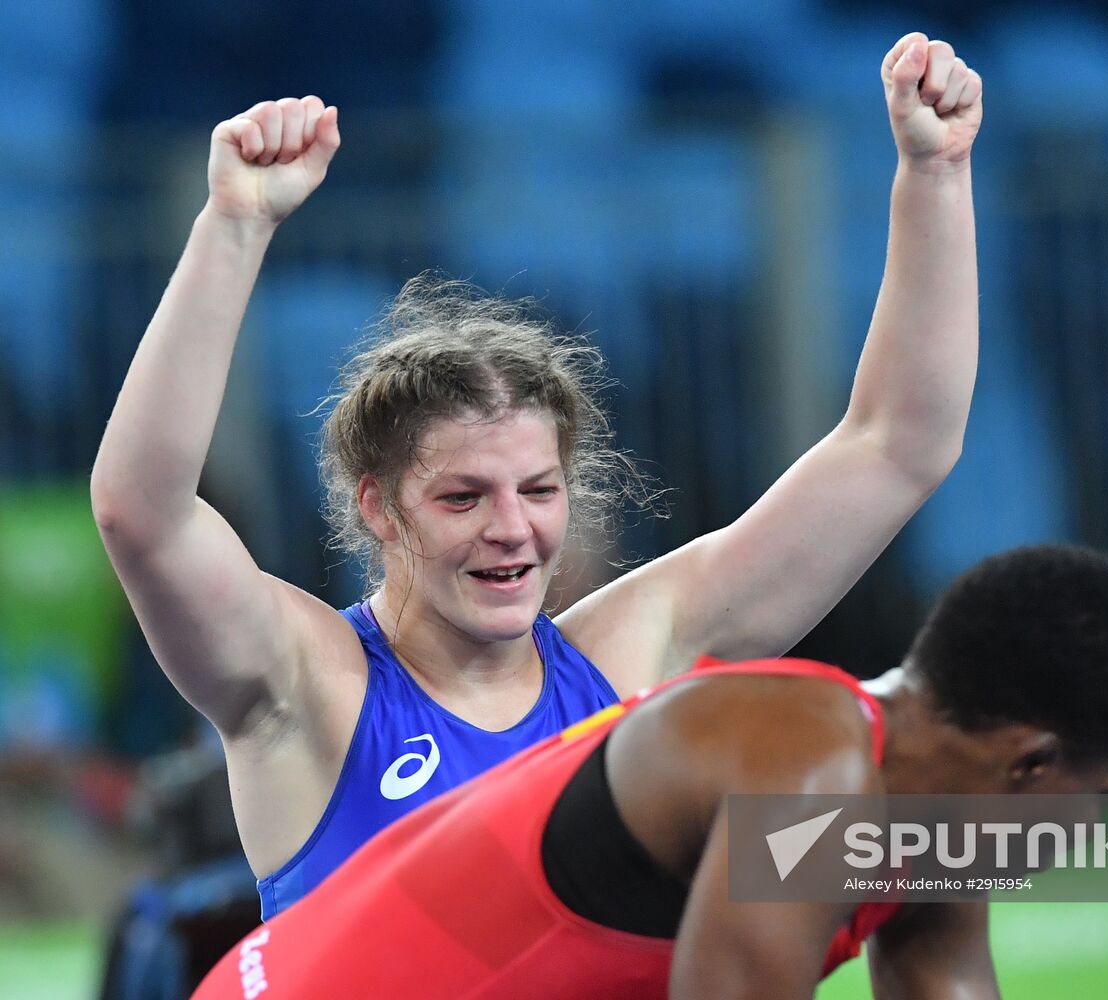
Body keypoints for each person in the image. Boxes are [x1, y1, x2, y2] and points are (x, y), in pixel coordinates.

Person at [90, 30, 984, 917]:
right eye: (462, 497)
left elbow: (897, 445)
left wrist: (935, 175)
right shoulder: (309, 686)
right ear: (378, 508)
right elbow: (142, 513)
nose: (512, 528)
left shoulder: (628, 655)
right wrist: (233, 228)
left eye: (538, 490)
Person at [190, 544, 1108, 999]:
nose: (1091, 835)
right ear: (1029, 762)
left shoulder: (931, 827)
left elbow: (945, 980)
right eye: (1099, 801)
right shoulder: (806, 771)